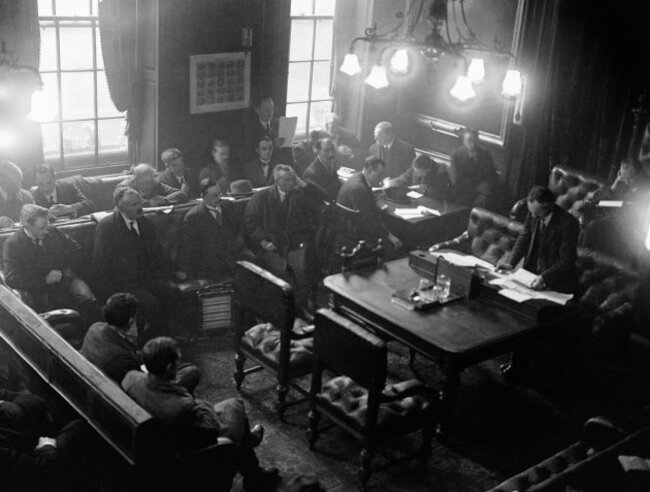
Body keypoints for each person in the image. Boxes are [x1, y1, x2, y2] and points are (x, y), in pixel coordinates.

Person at [122, 337, 280, 491]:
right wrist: (197, 403)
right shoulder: (182, 407)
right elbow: (211, 429)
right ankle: (253, 471)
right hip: (191, 449)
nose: (179, 365)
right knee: (235, 405)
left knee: (232, 409)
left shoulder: (130, 378)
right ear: (170, 368)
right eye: (177, 362)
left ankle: (250, 456)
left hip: (157, 439)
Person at [92, 188, 184, 340]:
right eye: (134, 205)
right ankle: (152, 341)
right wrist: (110, 294)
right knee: (151, 304)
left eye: (140, 202)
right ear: (121, 207)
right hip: (125, 282)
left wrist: (172, 272)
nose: (140, 207)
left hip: (149, 277)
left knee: (173, 291)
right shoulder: (107, 226)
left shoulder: (144, 221)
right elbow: (101, 263)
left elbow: (158, 252)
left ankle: (169, 335)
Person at [2, 204, 101, 324]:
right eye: (41, 228)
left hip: (66, 278)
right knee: (59, 315)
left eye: (47, 224)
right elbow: (11, 278)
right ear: (27, 226)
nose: (46, 230)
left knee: (89, 302)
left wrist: (68, 269)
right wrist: (44, 279)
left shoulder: (53, 231)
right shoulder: (13, 244)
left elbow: (76, 251)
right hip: (39, 290)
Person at [244, 164, 325, 311]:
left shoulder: (299, 194)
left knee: (303, 273)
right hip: (271, 247)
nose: (291, 182)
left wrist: (301, 182)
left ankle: (302, 308)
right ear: (277, 181)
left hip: (295, 245)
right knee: (283, 275)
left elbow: (321, 196)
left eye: (293, 179)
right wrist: (263, 241)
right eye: (287, 179)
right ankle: (286, 310)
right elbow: (250, 222)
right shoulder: (262, 197)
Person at [81, 293, 201, 390]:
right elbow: (136, 389)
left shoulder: (95, 328)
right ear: (130, 321)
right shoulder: (122, 361)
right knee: (190, 371)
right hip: (128, 394)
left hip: (99, 376)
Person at [0, 388, 101, 491]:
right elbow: (40, 472)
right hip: (35, 474)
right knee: (80, 427)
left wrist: (7, 403)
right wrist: (47, 447)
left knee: (32, 404)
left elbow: (6, 394)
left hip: (17, 442)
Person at [497, 186, 579, 294]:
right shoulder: (533, 213)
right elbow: (524, 238)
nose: (532, 216)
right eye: (531, 212)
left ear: (550, 206)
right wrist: (511, 263)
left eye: (537, 214)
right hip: (531, 277)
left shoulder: (568, 223)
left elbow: (567, 260)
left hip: (556, 284)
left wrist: (544, 278)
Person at [178, 178, 251, 282]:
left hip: (234, 259)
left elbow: (239, 230)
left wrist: (238, 248)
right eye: (214, 196)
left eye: (219, 194)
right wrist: (187, 273)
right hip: (210, 267)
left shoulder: (228, 206)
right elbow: (187, 249)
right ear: (203, 197)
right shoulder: (193, 217)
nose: (218, 198)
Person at [337, 157, 402, 253]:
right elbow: (368, 220)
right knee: (397, 233)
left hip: (348, 227)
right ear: (369, 171)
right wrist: (390, 236)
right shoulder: (359, 188)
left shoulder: (357, 178)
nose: (381, 179)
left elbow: (366, 201)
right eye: (379, 175)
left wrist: (376, 203)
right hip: (357, 233)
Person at [449, 127, 498, 208]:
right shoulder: (456, 156)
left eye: (475, 141)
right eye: (469, 140)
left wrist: (486, 187)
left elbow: (492, 176)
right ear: (464, 141)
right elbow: (456, 181)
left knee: (484, 202)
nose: (472, 144)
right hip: (463, 193)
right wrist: (477, 187)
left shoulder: (485, 154)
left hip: (481, 194)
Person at [116, 163, 188, 207]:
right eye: (145, 183)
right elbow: (129, 204)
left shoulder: (156, 183)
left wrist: (165, 200)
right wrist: (150, 203)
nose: (149, 185)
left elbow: (181, 194)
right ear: (135, 180)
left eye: (150, 181)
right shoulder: (124, 187)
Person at [302, 137, 341, 202]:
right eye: (326, 151)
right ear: (318, 152)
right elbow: (317, 198)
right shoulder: (311, 174)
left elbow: (336, 185)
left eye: (332, 150)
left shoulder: (330, 165)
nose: (331, 154)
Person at [0, 160, 34, 228]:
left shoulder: (27, 196)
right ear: (2, 183)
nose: (19, 186)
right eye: (15, 184)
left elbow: (35, 219)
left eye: (20, 181)